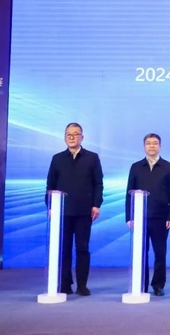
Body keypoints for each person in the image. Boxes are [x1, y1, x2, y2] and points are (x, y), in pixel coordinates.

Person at [46, 122, 103, 296]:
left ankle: (82, 285)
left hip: (84, 211)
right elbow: (50, 185)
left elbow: (98, 183)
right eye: (68, 135)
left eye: (75, 134)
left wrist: (96, 204)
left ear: (82, 137)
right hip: (62, 211)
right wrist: (50, 206)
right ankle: (65, 283)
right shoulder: (57, 159)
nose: (72, 137)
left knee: (82, 248)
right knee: (64, 249)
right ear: (65, 138)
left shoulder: (92, 158)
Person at [125, 133, 170, 297]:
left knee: (160, 253)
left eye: (155, 143)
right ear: (144, 147)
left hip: (161, 218)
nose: (152, 146)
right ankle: (141, 284)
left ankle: (158, 285)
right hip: (140, 217)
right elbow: (129, 193)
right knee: (141, 252)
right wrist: (129, 216)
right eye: (148, 143)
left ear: (160, 146)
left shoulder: (168, 167)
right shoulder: (136, 167)